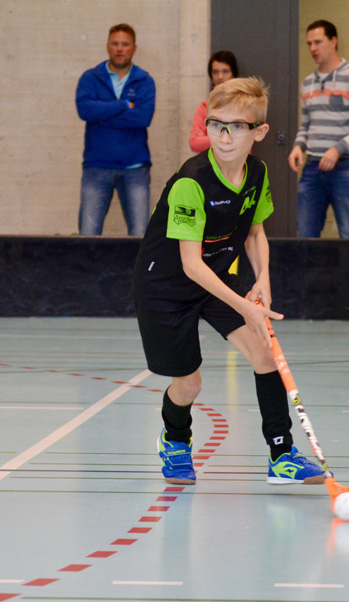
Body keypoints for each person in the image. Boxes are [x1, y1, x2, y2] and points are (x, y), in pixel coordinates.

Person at [131, 77, 324, 486]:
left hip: (216, 278)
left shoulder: (257, 173)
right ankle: (176, 440)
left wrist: (263, 281)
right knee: (189, 385)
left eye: (237, 126)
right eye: (216, 125)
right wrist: (244, 305)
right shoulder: (192, 182)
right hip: (166, 288)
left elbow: (254, 231)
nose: (224, 136)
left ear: (259, 132)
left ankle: (282, 456)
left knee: (265, 355)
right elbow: (190, 265)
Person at [288, 19, 349, 239]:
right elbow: (306, 125)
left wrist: (337, 149)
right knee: (305, 233)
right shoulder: (308, 83)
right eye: (309, 43)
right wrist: (298, 146)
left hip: (345, 167)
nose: (313, 48)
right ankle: (308, 265)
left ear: (333, 41)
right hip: (312, 167)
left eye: (318, 42)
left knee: (348, 233)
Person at [75, 23, 155, 236]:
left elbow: (143, 118)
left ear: (134, 49)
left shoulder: (144, 81)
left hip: (135, 168)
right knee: (88, 234)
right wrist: (123, 106)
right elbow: (85, 110)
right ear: (107, 46)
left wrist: (101, 116)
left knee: (140, 235)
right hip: (96, 166)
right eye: (115, 44)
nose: (120, 49)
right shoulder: (90, 78)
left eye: (125, 44)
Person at [189, 51, 238, 153]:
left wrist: (208, 137)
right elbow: (194, 143)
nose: (220, 77)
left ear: (233, 73)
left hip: (240, 161)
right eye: (215, 72)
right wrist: (229, 136)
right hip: (210, 162)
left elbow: (241, 139)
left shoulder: (244, 104)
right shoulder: (204, 107)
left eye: (225, 71)